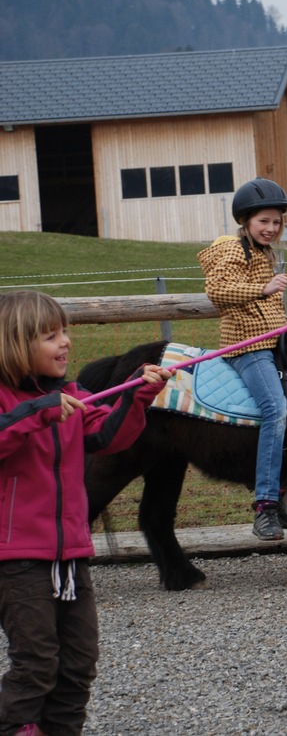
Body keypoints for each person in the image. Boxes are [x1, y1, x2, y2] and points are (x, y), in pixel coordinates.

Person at [0, 290, 171, 736]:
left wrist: (138, 397)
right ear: (16, 343)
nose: (65, 343)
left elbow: (108, 438)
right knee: (36, 664)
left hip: (72, 552)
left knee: (78, 665)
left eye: (66, 332)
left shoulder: (72, 395)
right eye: (50, 335)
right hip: (17, 558)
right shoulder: (13, 401)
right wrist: (39, 412)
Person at [198, 177, 287, 541]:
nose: (271, 228)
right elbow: (218, 291)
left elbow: (263, 309)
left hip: (273, 340)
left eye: (276, 222)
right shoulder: (233, 249)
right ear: (246, 221)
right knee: (276, 410)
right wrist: (264, 287)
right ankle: (265, 505)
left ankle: (284, 487)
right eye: (263, 221)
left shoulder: (263, 253)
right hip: (247, 348)